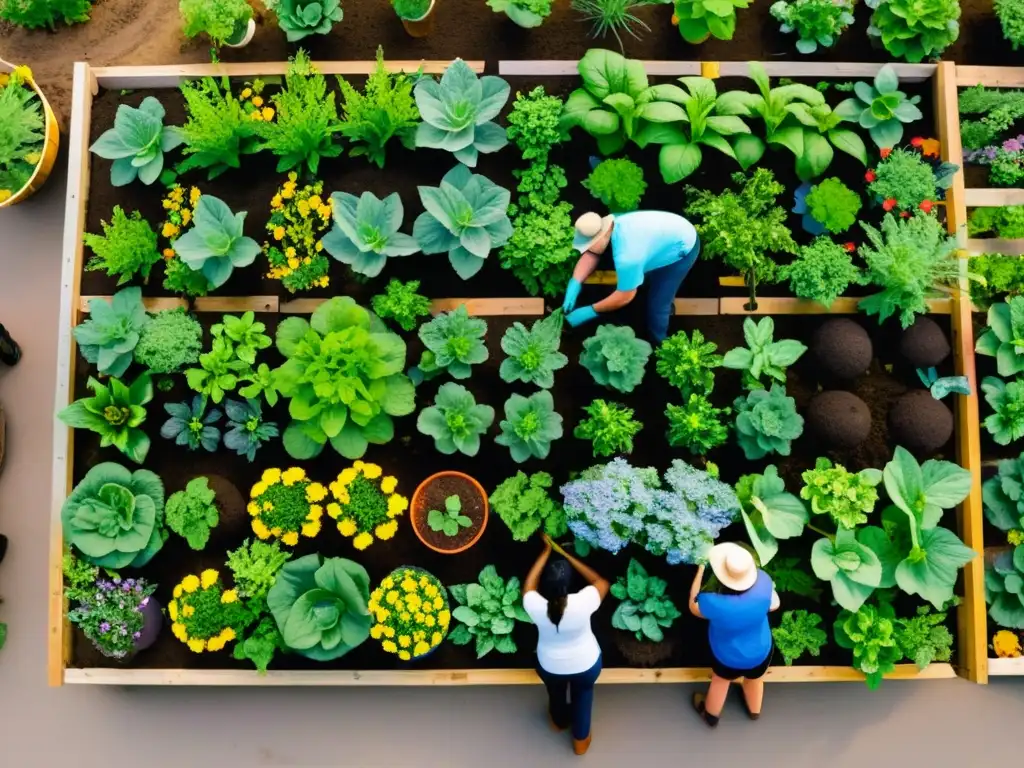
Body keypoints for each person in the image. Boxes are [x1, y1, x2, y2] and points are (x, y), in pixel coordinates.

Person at [522, 534, 610, 755]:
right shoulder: (582, 602)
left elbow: (529, 587)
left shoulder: (537, 607)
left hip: (550, 666)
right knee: (584, 694)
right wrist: (568, 557)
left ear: (546, 590)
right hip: (586, 665)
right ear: (570, 587)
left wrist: (545, 554)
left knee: (556, 692)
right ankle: (580, 741)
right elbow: (601, 582)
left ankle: (558, 721)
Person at [562, 210, 700, 343]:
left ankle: (661, 343)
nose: (586, 249)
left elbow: (624, 296)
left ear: (601, 235)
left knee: (658, 302)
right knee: (641, 282)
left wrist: (590, 310)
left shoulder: (628, 258)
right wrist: (575, 283)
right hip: (665, 234)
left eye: (588, 245)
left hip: (682, 247)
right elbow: (592, 254)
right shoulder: (613, 222)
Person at [689, 542, 780, 727]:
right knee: (755, 679)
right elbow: (775, 604)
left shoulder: (712, 601)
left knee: (721, 681)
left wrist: (699, 571)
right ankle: (754, 711)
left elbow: (693, 606)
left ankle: (711, 716)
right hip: (760, 651)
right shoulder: (764, 582)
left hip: (727, 656)